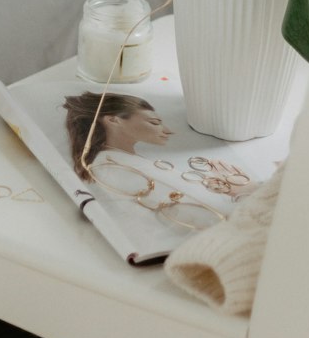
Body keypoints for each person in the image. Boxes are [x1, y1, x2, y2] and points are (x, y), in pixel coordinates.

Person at [62, 93, 232, 233]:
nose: (167, 130)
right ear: (114, 120)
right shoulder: (112, 168)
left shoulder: (124, 161)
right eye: (154, 122)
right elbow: (184, 218)